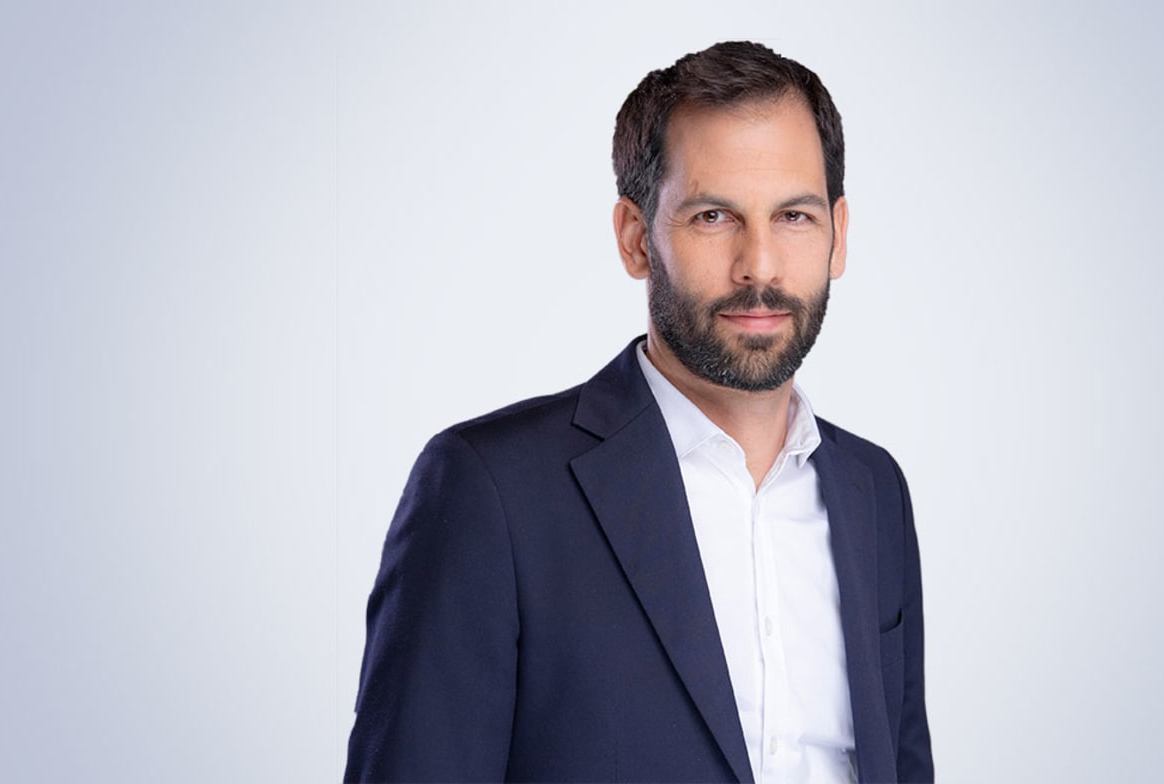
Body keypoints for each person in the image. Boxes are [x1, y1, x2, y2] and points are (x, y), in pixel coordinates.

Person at [345, 41, 933, 784]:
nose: (759, 264)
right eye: (714, 216)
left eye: (794, 216)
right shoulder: (489, 490)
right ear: (635, 239)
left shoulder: (873, 490)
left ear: (838, 236)